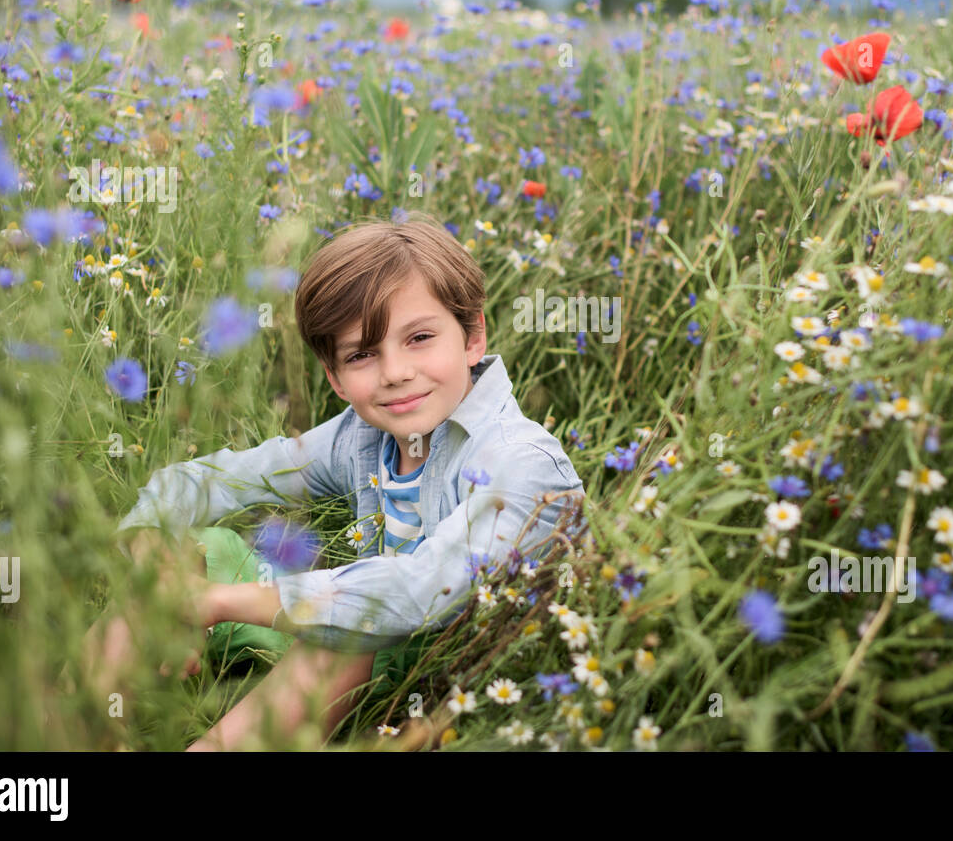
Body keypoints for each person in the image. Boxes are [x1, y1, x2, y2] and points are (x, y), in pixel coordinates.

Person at [80, 210, 586, 750]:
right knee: (198, 548)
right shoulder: (359, 436)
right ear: (336, 378)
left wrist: (215, 603)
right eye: (363, 354)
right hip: (360, 639)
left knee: (349, 631)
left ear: (472, 337)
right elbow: (196, 483)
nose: (394, 372)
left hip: (461, 682)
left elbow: (422, 592)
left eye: (418, 338)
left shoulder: (521, 461)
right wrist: (163, 564)